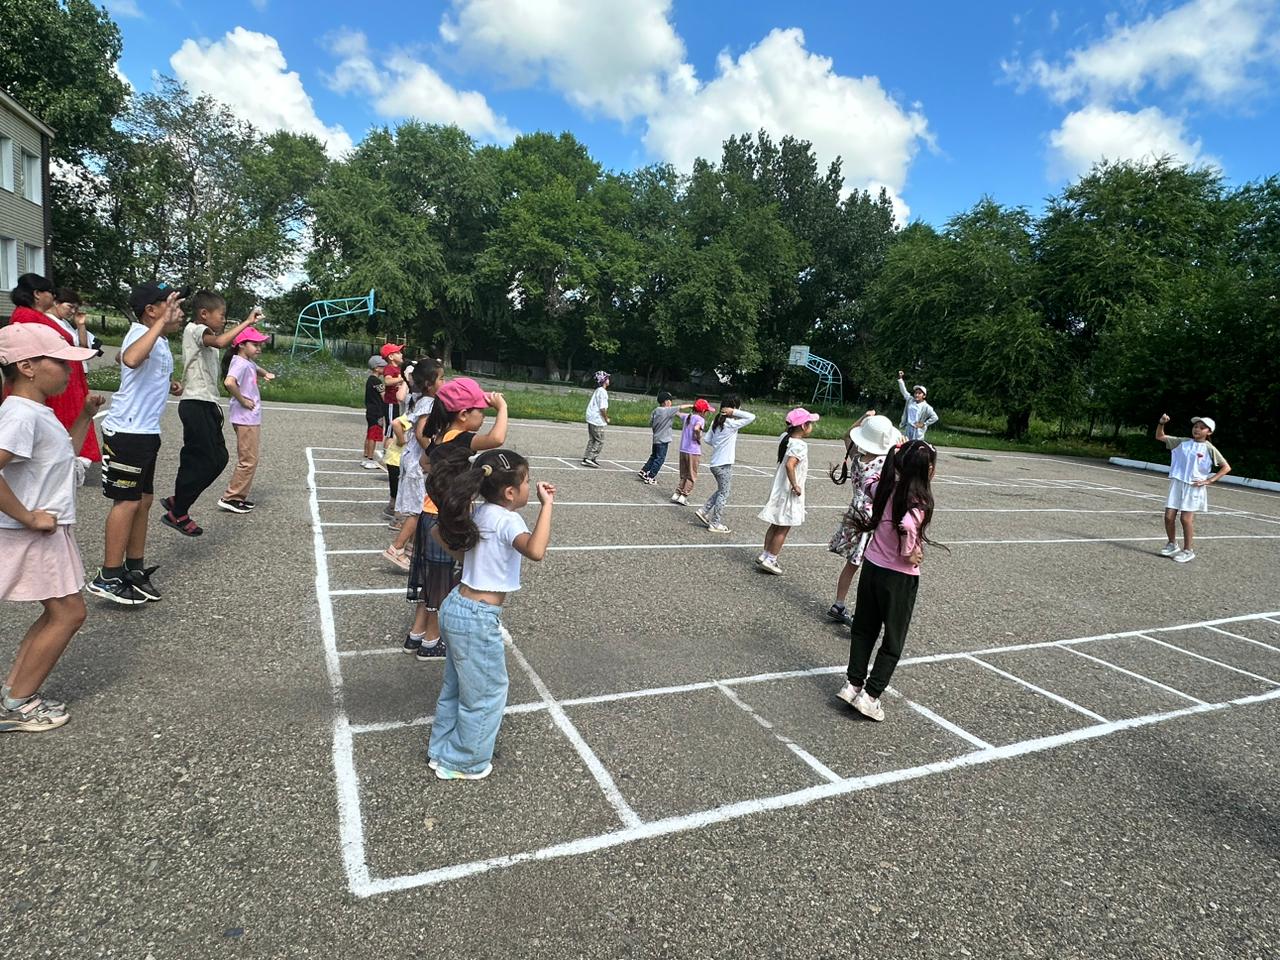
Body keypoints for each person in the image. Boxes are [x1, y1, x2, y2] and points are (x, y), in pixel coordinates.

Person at [428, 448, 555, 780]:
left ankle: (441, 750)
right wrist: (547, 507)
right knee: (486, 694)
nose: (530, 487)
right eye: (526, 482)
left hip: (456, 604)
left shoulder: (481, 513)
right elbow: (536, 550)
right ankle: (464, 761)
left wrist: (464, 558)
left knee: (456, 687)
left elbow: (435, 532)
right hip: (477, 616)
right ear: (510, 492)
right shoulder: (508, 518)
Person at [0, 324, 101, 732]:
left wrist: (85, 417)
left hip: (48, 528)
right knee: (68, 613)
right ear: (26, 366)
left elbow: (62, 457)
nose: (67, 370)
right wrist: (27, 516)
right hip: (33, 530)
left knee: (60, 612)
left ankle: (16, 696)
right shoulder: (20, 415)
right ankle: (17, 704)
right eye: (59, 362)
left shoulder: (37, 411)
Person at [87, 283, 185, 605]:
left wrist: (167, 383)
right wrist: (156, 328)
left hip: (145, 433)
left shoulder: (159, 341)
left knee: (142, 500)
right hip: (127, 434)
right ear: (151, 311)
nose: (179, 311)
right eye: (171, 305)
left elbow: (134, 369)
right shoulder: (139, 334)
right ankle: (108, 576)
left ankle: (134, 568)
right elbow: (128, 359)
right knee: (126, 502)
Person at [404, 377, 508, 660]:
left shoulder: (439, 436)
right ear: (463, 414)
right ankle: (432, 640)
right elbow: (497, 439)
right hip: (445, 517)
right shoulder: (460, 438)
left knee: (430, 579)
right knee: (443, 581)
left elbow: (426, 461)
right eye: (480, 413)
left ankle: (416, 634)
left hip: (428, 513)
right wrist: (502, 408)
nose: (483, 417)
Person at [837, 439, 941, 723]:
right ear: (929, 470)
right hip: (898, 577)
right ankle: (870, 696)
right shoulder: (919, 501)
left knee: (864, 629)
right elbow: (909, 524)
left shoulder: (885, 488)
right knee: (893, 640)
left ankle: (852, 684)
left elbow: (867, 478)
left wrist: (887, 452)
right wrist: (910, 551)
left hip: (871, 567)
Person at [162, 293, 261, 535]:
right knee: (199, 458)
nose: (224, 320)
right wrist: (247, 322)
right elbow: (219, 342)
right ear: (204, 314)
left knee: (219, 458)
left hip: (206, 403)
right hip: (196, 404)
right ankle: (179, 512)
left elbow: (200, 366)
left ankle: (179, 499)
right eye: (222, 315)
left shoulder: (206, 338)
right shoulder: (194, 329)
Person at [7, 274, 100, 465]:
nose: (53, 297)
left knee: (56, 439)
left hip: (57, 382)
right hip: (44, 384)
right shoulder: (26, 316)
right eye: (51, 292)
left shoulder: (39, 316)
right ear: (37, 294)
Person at [826, 412, 901, 625]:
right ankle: (863, 615)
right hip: (872, 516)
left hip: (855, 512)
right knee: (871, 565)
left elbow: (846, 435)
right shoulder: (885, 462)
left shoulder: (857, 458)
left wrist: (862, 418)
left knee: (853, 563)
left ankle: (839, 603)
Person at [382, 360, 443, 572]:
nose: (444, 382)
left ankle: (411, 549)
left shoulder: (419, 398)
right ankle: (397, 548)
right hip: (418, 461)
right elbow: (421, 432)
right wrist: (434, 453)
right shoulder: (428, 403)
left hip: (411, 458)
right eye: (441, 378)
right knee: (418, 509)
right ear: (428, 383)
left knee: (421, 506)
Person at [1155, 414, 1231, 564]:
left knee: (1185, 519)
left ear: (1209, 432)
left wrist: (1209, 480)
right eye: (1196, 426)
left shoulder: (1210, 448)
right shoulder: (1182, 442)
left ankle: (1188, 550)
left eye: (1202, 428)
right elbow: (1160, 436)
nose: (1197, 429)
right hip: (1177, 482)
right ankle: (1172, 544)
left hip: (1194, 486)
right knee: (1169, 516)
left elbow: (1226, 467)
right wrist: (1161, 423)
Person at [756, 407, 820, 575]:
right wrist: (795, 485)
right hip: (788, 489)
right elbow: (790, 464)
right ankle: (771, 559)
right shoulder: (800, 445)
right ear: (804, 426)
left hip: (779, 487)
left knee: (775, 523)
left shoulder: (785, 438)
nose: (812, 426)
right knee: (784, 526)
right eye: (810, 423)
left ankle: (765, 554)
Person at [217, 327, 274, 514]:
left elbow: (255, 368)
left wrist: (265, 373)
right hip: (245, 417)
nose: (259, 348)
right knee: (248, 460)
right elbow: (229, 382)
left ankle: (238, 497)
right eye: (255, 344)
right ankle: (231, 497)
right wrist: (243, 400)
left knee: (250, 458)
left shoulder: (245, 361)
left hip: (249, 418)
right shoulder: (240, 363)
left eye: (260, 344)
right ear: (242, 345)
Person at [47, 287, 103, 466]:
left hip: (78, 372)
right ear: (56, 303)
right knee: (68, 416)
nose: (72, 311)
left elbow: (84, 347)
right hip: (66, 376)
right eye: (69, 306)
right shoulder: (49, 322)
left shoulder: (65, 323)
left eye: (75, 307)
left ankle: (72, 455)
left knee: (78, 414)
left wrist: (80, 325)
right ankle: (64, 457)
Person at [695, 395, 756, 534]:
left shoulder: (717, 421)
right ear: (732, 408)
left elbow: (708, 439)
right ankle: (715, 523)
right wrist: (733, 413)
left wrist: (719, 444)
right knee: (724, 493)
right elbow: (751, 417)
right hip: (724, 464)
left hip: (715, 462)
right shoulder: (731, 423)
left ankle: (704, 510)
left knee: (722, 490)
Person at [638, 392, 691, 484]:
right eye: (670, 401)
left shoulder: (656, 410)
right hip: (663, 440)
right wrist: (692, 405)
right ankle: (651, 476)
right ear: (666, 402)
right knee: (660, 459)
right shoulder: (667, 410)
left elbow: (651, 422)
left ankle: (644, 470)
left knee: (654, 456)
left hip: (656, 438)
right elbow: (680, 407)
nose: (671, 403)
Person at [671, 397, 712, 506]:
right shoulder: (700, 419)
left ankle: (677, 493)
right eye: (706, 411)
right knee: (692, 475)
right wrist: (698, 436)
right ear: (703, 411)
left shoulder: (687, 417)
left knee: (684, 473)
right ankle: (684, 495)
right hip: (693, 451)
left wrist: (689, 405)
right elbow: (696, 428)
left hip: (683, 449)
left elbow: (675, 412)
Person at [361, 356, 388, 469]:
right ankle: (370, 459)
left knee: (369, 433)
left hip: (370, 410)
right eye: (383, 367)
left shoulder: (370, 380)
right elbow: (384, 396)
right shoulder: (376, 381)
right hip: (377, 411)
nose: (385, 369)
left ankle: (366, 455)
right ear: (376, 368)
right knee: (373, 435)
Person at [897, 371, 938, 441]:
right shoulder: (910, 400)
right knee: (906, 445)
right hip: (908, 428)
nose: (917, 395)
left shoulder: (926, 407)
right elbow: (904, 391)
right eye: (916, 393)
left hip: (917, 431)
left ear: (924, 396)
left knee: (915, 447)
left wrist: (924, 424)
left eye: (919, 393)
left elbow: (935, 417)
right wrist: (900, 379)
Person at [379, 343, 406, 449]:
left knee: (395, 429)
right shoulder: (389, 368)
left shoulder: (398, 369)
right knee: (390, 430)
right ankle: (386, 455)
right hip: (391, 403)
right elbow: (387, 381)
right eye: (398, 353)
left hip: (397, 403)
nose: (401, 355)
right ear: (391, 357)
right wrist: (402, 378)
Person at [582, 370, 610, 467]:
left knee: (592, 439)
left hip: (591, 418)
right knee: (600, 440)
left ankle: (586, 457)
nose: (609, 380)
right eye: (607, 378)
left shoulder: (598, 390)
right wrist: (606, 418)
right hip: (596, 419)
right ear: (604, 380)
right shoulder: (603, 392)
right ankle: (590, 458)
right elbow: (602, 408)